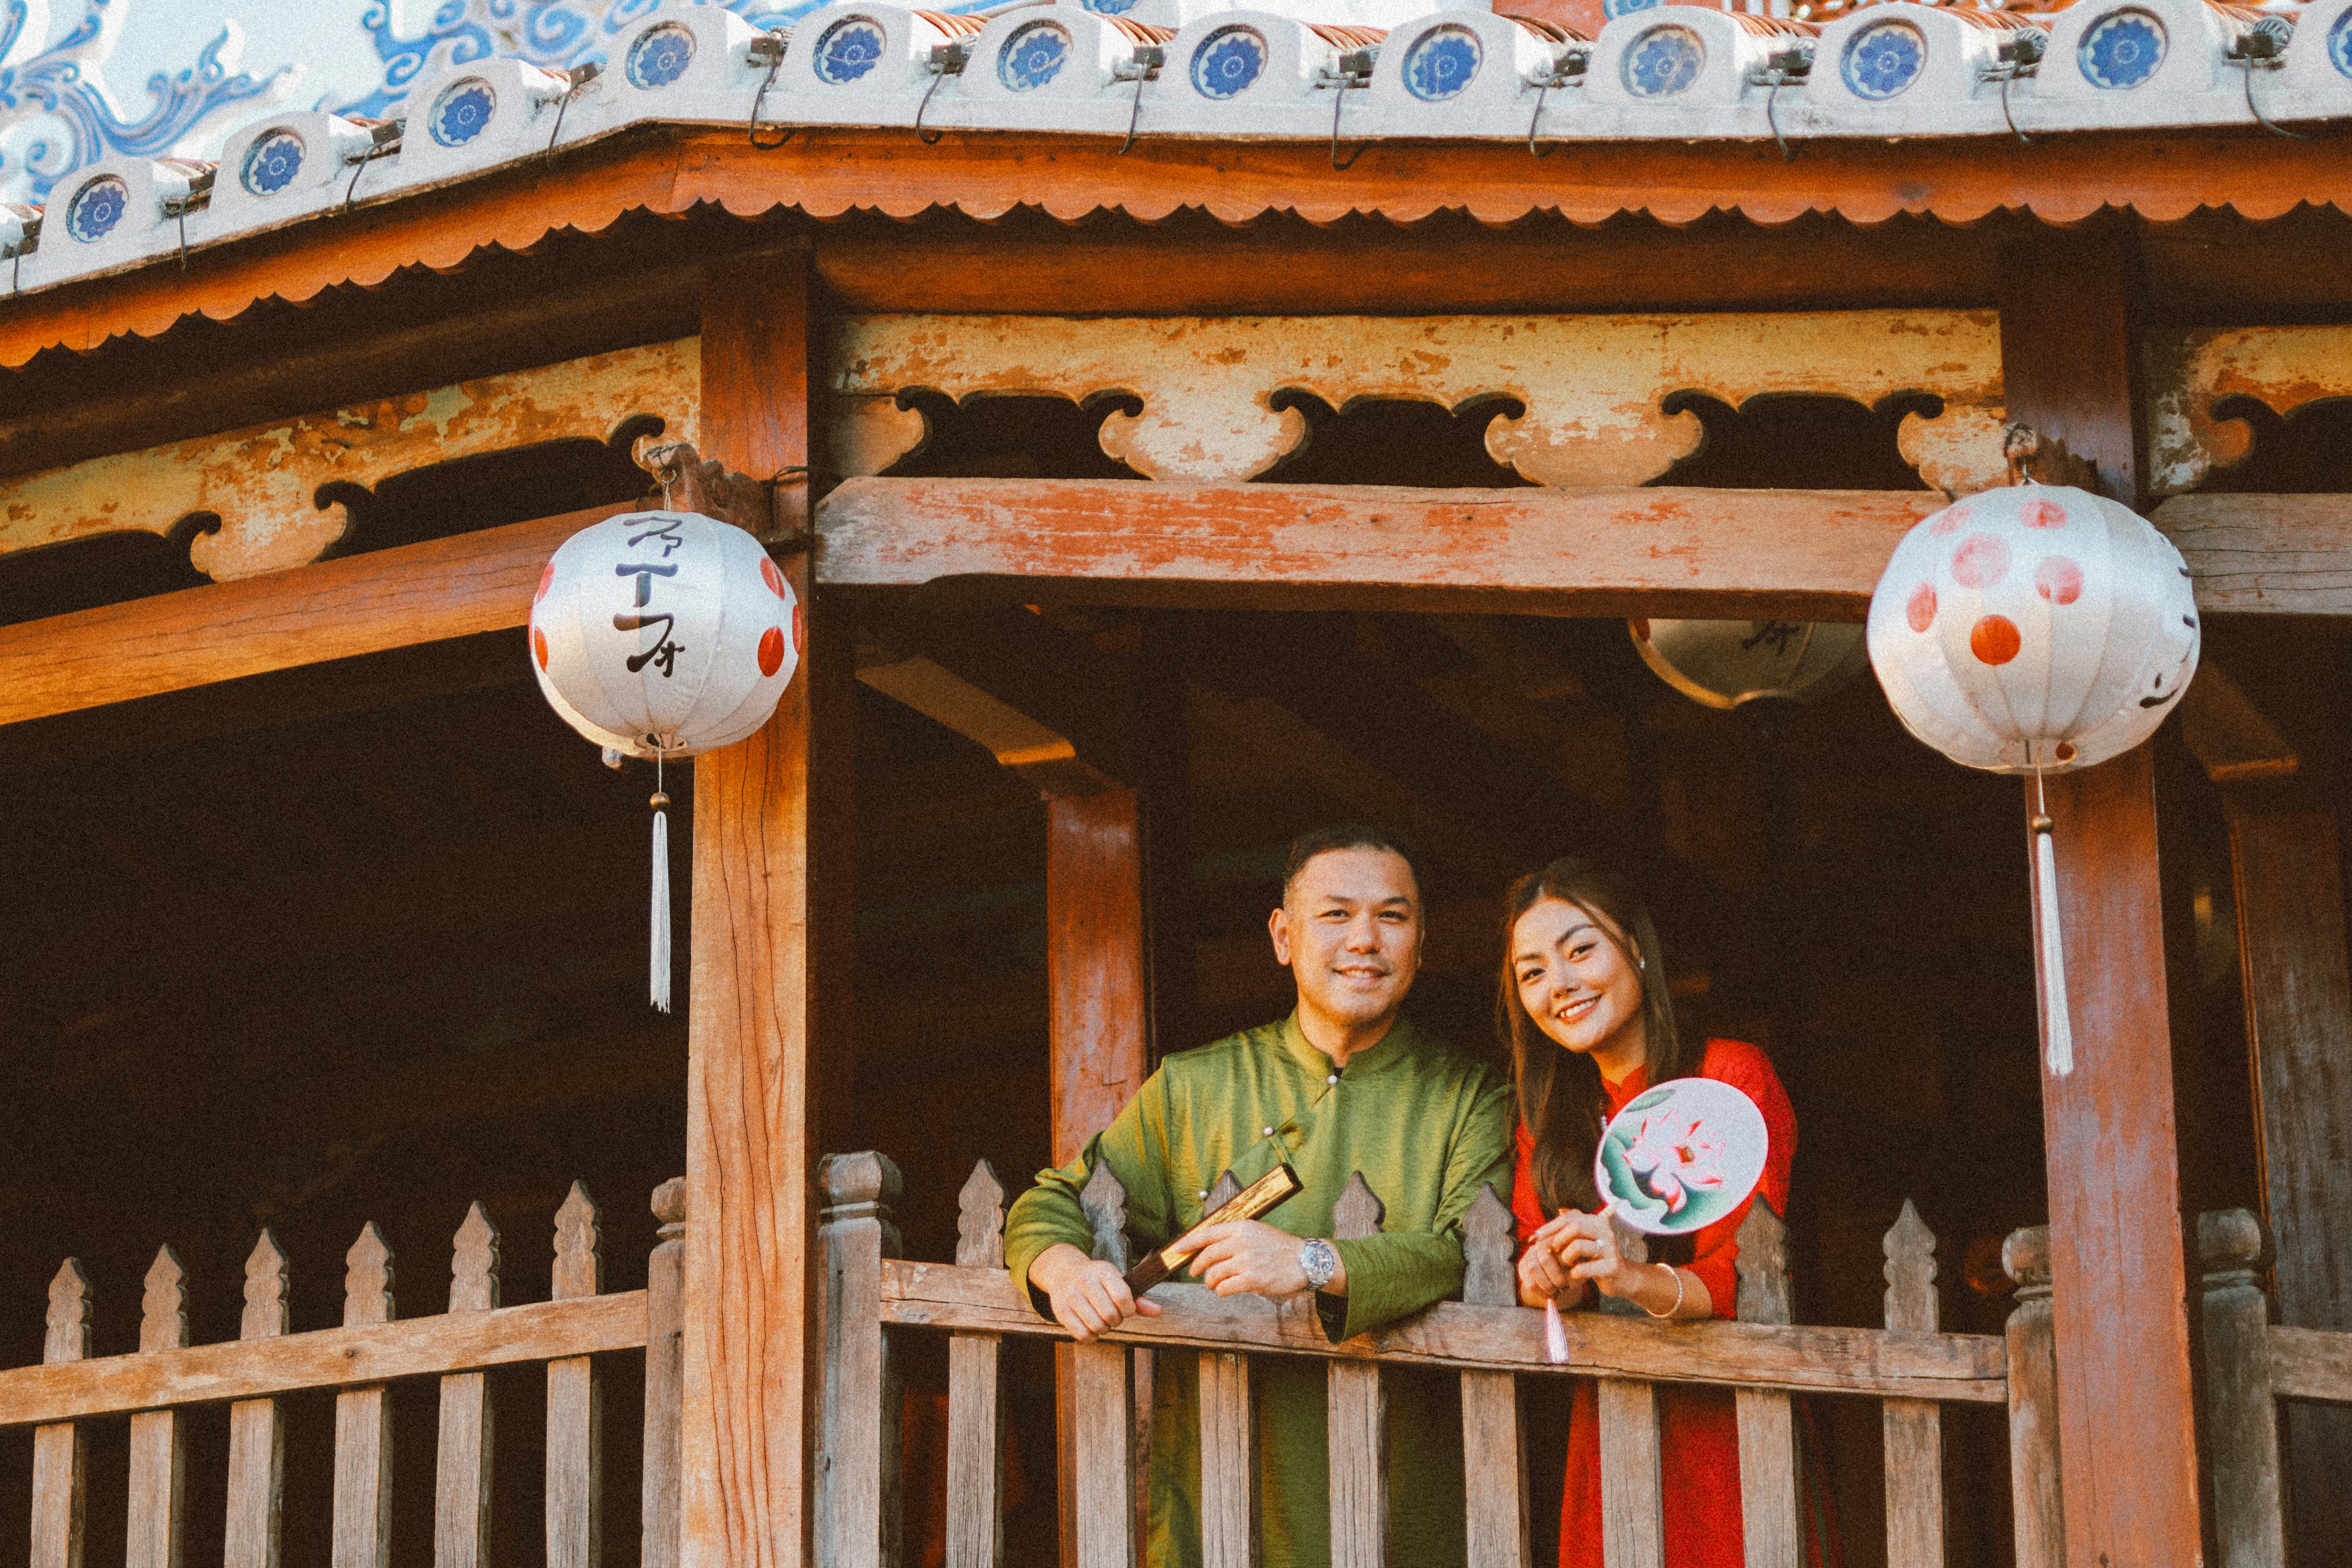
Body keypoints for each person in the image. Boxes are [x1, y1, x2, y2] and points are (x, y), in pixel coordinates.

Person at [1003, 824, 1515, 1568]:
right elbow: (1055, 1200)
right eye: (1336, 914)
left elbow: (1467, 1256)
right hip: (1222, 1497)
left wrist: (1312, 1261)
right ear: (1283, 937)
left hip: (1406, 1497)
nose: (1365, 939)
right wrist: (1067, 1270)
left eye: (1392, 917)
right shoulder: (1195, 1086)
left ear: (1421, 943)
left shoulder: (1472, 1096)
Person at [1501, 858, 1808, 1568]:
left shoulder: (1729, 1076)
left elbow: (1749, 1277)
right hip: (1608, 1422)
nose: (1560, 983)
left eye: (1581, 950)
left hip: (1731, 1423)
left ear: (1637, 948)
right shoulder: (1548, 1117)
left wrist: (1631, 1279)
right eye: (1532, 972)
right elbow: (1528, 1270)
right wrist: (1550, 1277)